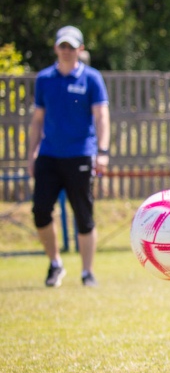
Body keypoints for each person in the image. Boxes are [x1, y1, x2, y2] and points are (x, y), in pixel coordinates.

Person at [27, 26, 110, 288]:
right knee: (40, 211)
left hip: (81, 155)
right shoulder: (44, 79)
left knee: (83, 216)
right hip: (49, 155)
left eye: (71, 47)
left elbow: (101, 116)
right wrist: (31, 154)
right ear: (56, 48)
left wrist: (103, 152)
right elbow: (37, 119)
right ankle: (55, 264)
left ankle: (87, 272)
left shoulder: (92, 78)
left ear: (80, 49)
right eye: (62, 46)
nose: (66, 51)